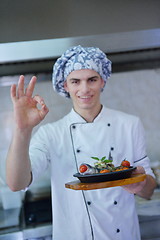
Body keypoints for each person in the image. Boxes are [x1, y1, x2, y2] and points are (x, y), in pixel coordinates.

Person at [6, 45, 156, 240]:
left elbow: (149, 189)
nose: (84, 89)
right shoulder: (51, 134)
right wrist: (22, 130)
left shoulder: (130, 124)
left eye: (91, 80)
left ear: (102, 81)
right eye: (75, 81)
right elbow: (16, 183)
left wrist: (140, 184)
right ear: (65, 85)